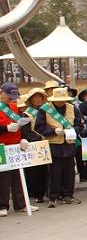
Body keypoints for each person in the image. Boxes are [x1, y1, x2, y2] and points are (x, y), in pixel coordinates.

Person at [35, 87, 82, 207]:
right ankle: (53, 196)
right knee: (54, 172)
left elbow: (79, 125)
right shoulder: (45, 109)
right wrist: (53, 130)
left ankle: (68, 194)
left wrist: (72, 130)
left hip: (69, 143)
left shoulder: (72, 108)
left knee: (69, 171)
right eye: (59, 100)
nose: (61, 102)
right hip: (53, 144)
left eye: (63, 99)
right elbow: (39, 127)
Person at [0, 83, 38, 215]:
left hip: (15, 145)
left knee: (18, 175)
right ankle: (2, 206)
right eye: (9, 96)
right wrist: (5, 129)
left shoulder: (13, 107)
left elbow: (19, 124)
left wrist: (22, 138)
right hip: (1, 146)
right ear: (1, 93)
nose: (12, 99)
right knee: (3, 177)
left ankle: (21, 203)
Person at [22, 88, 50, 203]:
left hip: (48, 142)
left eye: (40, 97)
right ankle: (37, 194)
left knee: (47, 170)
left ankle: (47, 191)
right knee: (35, 171)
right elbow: (25, 131)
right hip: (35, 144)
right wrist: (37, 137)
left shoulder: (47, 111)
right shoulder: (26, 113)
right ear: (31, 100)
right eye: (35, 97)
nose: (38, 99)